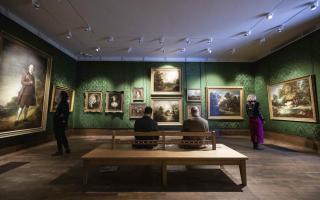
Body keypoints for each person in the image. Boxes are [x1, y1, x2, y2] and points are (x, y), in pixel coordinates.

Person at [52, 91, 70, 156]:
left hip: (59, 123)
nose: (58, 96)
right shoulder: (64, 103)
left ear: (62, 96)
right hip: (60, 122)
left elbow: (64, 114)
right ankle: (66, 148)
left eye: (59, 95)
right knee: (62, 136)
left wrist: (60, 118)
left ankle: (60, 150)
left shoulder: (63, 103)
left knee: (59, 136)